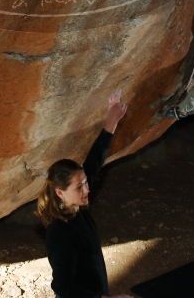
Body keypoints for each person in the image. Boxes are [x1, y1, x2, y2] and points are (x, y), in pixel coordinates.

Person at [36, 91, 132, 298]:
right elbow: (63, 287)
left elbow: (95, 161)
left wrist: (111, 120)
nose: (87, 190)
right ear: (60, 192)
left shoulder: (76, 208)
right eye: (79, 187)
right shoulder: (59, 232)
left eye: (86, 183)